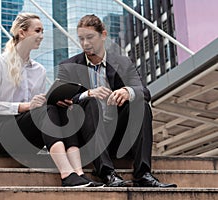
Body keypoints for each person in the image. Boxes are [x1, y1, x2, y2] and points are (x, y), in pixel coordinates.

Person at [0, 13, 104, 188]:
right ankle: (66, 174)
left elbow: (40, 108)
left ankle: (78, 173)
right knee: (43, 110)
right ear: (22, 33)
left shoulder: (39, 70)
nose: (42, 35)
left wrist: (54, 101)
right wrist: (27, 106)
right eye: (37, 30)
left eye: (43, 31)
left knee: (62, 109)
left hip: (27, 134)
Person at [57, 14, 177, 188]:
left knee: (141, 105)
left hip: (119, 137)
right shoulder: (69, 66)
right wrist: (87, 94)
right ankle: (106, 173)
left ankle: (143, 174)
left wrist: (127, 91)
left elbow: (144, 91)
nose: (85, 44)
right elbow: (60, 98)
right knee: (90, 101)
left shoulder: (123, 62)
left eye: (90, 37)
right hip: (87, 139)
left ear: (103, 35)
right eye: (81, 39)